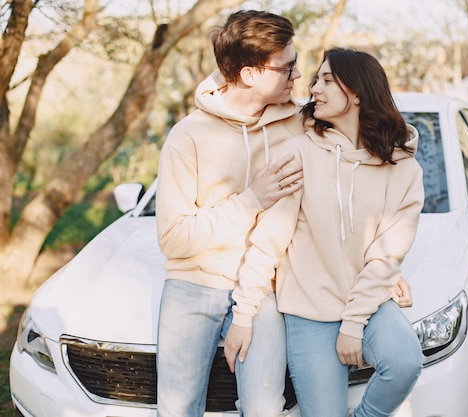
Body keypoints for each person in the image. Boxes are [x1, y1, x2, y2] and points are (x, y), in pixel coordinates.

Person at [226, 47, 424, 417]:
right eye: (316, 79)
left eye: (327, 80)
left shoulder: (403, 168)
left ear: (358, 93)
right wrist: (243, 313)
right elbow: (269, 240)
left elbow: (387, 254)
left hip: (369, 305)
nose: (314, 87)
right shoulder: (299, 153)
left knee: (404, 363)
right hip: (309, 314)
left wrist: (353, 324)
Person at [155, 10, 304, 417]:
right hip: (193, 285)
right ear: (251, 73)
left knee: (264, 410)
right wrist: (251, 200)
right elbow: (174, 238)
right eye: (287, 67)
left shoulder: (300, 123)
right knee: (177, 409)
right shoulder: (188, 136)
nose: (297, 75)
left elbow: (371, 143)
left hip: (263, 289)